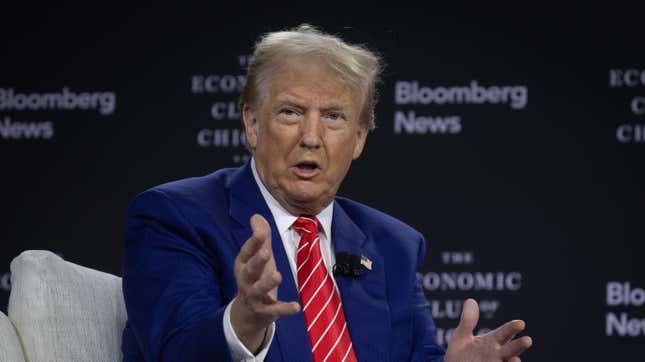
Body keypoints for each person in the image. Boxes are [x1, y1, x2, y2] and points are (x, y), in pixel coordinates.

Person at [121, 24, 532, 362]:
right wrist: (243, 322)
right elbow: (172, 351)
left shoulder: (393, 246)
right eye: (291, 112)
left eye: (334, 117)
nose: (312, 137)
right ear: (252, 123)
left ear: (358, 138)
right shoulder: (175, 216)